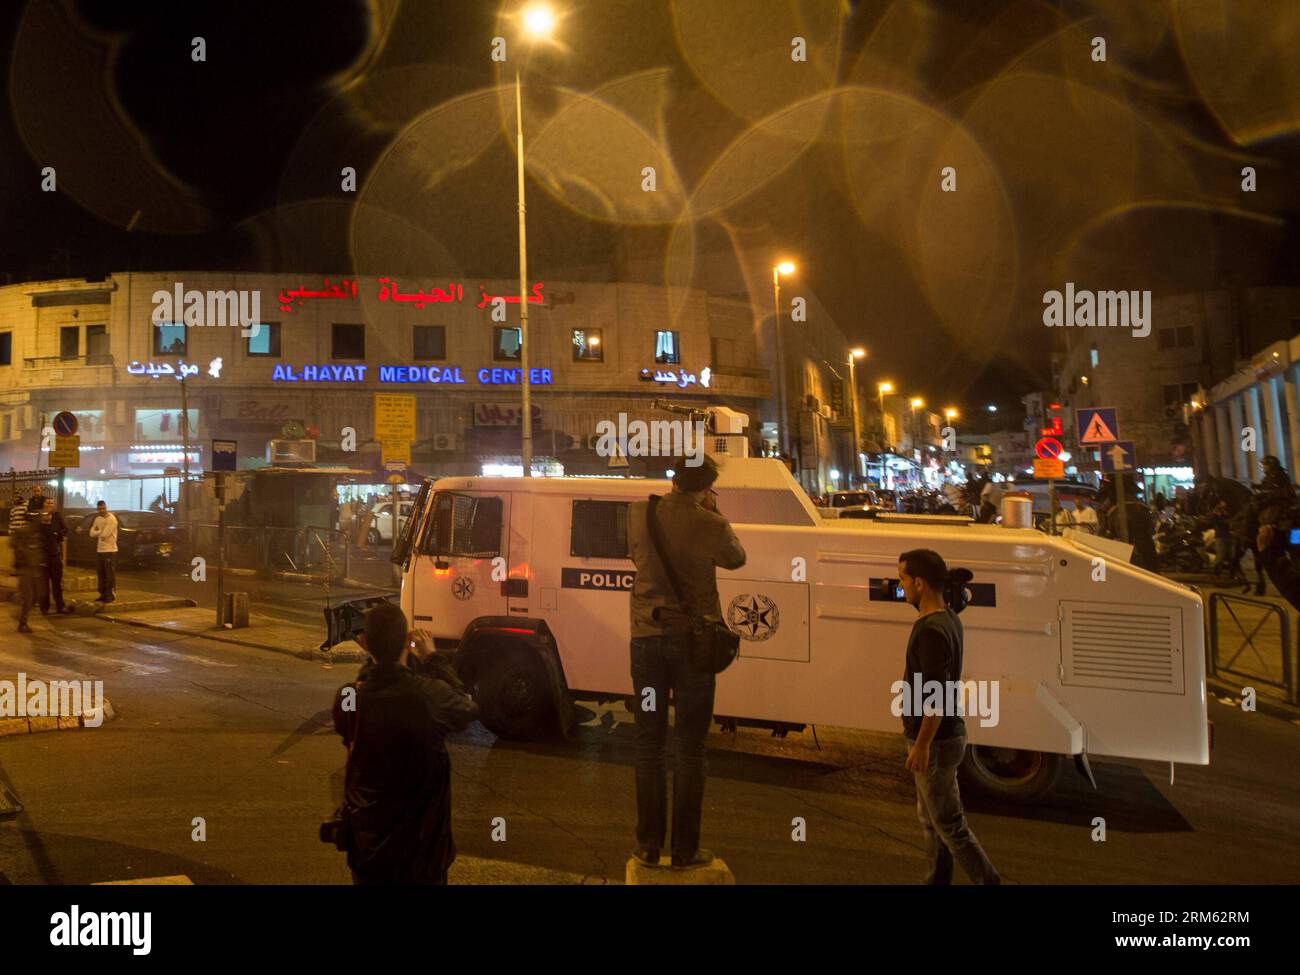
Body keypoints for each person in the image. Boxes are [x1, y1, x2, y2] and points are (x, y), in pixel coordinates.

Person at [627, 454, 746, 869]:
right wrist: (712, 510)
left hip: (645, 645)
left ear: (674, 479)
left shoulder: (640, 511)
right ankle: (685, 850)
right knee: (690, 748)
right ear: (705, 487)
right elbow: (736, 558)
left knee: (648, 742)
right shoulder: (710, 523)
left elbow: (634, 555)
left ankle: (647, 846)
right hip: (694, 648)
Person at [331, 603, 479, 885]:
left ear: (363, 643)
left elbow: (353, 714)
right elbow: (467, 707)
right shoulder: (429, 697)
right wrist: (432, 658)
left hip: (369, 854)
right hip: (421, 858)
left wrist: (376, 659)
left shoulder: (349, 698)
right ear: (406, 643)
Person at [897, 548, 1000, 885]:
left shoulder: (931, 630)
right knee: (931, 819)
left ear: (920, 583)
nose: (901, 587)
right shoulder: (949, 618)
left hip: (937, 741)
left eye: (903, 580)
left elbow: (936, 696)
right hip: (943, 736)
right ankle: (936, 880)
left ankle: (989, 882)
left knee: (950, 824)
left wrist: (922, 745)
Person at [13, 517, 47, 634]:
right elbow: (21, 552)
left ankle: (23, 615)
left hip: (34, 570)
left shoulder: (35, 537)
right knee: (28, 598)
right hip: (26, 571)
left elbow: (37, 554)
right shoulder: (24, 535)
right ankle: (22, 623)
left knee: (36, 596)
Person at [37, 499, 71, 614]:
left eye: (51, 503)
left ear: (54, 505)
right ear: (44, 505)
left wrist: (58, 534)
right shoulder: (39, 518)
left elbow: (65, 532)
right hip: (43, 557)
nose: (49, 505)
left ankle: (60, 606)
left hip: (55, 556)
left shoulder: (57, 517)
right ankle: (44, 607)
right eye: (47, 503)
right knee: (44, 584)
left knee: (57, 583)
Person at [88, 500, 119, 603]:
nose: (102, 510)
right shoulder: (97, 519)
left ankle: (110, 595)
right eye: (100, 509)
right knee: (101, 573)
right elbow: (91, 533)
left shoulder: (111, 519)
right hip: (100, 549)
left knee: (109, 574)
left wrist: (98, 532)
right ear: (97, 509)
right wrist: (100, 532)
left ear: (106, 507)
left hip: (110, 550)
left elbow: (105, 534)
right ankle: (103, 594)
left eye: (103, 508)